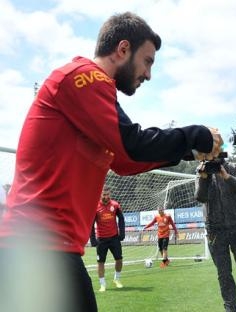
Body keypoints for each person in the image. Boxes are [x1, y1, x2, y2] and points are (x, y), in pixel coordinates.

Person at [0, 12, 223, 312]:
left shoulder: (92, 94)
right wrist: (196, 136)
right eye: (147, 61)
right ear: (122, 49)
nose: (148, 74)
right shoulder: (83, 77)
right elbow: (132, 144)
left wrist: (188, 152)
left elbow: (125, 161)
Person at [195, 159, 236, 312]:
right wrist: (204, 178)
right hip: (214, 230)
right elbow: (200, 197)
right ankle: (231, 308)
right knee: (223, 273)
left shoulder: (233, 166)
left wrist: (226, 176)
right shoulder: (201, 171)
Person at [90, 188, 125, 292]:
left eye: (108, 194)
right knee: (101, 262)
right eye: (104, 195)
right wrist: (92, 238)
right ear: (100, 194)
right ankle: (102, 284)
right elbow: (91, 224)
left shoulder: (115, 205)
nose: (106, 197)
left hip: (114, 238)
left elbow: (121, 219)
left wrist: (122, 233)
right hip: (101, 240)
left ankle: (117, 279)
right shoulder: (95, 206)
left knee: (119, 259)